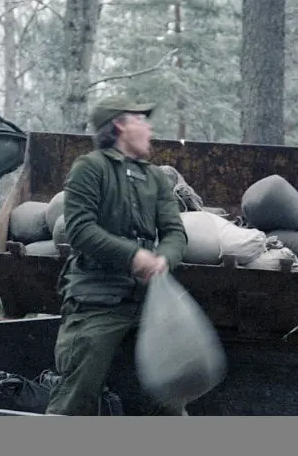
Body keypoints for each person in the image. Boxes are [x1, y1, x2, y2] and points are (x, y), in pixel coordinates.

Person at [45, 94, 188, 416]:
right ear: (120, 125)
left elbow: (175, 232)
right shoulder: (90, 168)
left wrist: (165, 258)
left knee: (170, 395)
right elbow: (79, 230)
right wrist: (133, 256)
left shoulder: (155, 179)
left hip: (149, 302)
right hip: (97, 301)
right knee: (76, 396)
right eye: (141, 119)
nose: (149, 128)